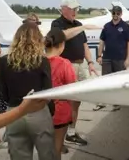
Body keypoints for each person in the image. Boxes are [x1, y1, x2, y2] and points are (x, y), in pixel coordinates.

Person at [0, 22, 57, 160]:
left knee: (18, 155)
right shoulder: (42, 61)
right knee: (47, 154)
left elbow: (4, 94)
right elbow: (48, 92)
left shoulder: (4, 61)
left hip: (14, 112)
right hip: (38, 112)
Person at [51, 0, 98, 146]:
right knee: (63, 102)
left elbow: (84, 45)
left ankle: (71, 132)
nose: (75, 11)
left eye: (76, 8)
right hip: (66, 66)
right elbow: (63, 36)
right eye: (72, 9)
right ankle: (59, 139)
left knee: (77, 100)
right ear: (63, 9)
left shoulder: (78, 24)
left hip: (80, 65)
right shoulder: (57, 24)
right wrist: (82, 28)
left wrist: (90, 62)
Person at [44, 28, 77, 160]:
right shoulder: (64, 64)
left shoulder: (37, 62)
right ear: (61, 45)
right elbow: (72, 86)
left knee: (45, 146)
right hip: (60, 111)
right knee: (56, 147)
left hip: (39, 110)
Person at [94, 5, 129, 111]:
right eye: (114, 13)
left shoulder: (125, 26)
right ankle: (103, 101)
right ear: (112, 14)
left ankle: (117, 103)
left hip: (120, 58)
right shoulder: (106, 26)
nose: (115, 15)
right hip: (107, 58)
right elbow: (102, 41)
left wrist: (128, 58)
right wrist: (99, 55)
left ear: (121, 14)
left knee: (118, 81)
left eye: (117, 13)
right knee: (105, 81)